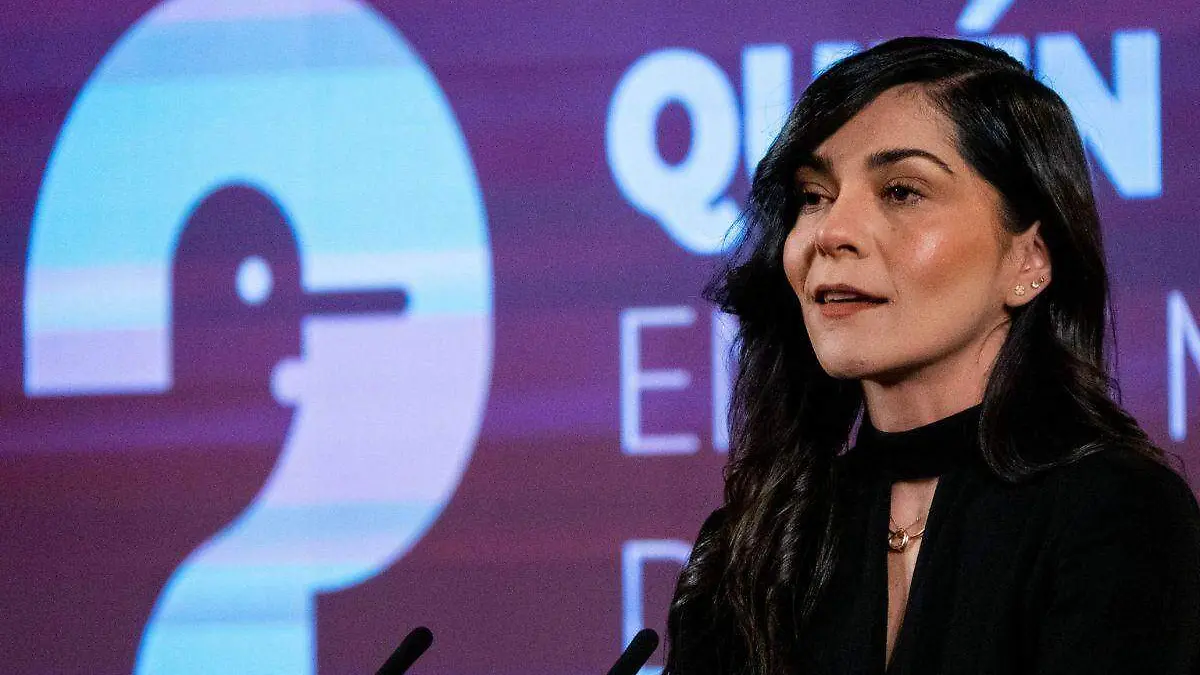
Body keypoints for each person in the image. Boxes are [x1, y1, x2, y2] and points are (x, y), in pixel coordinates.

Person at [664, 36, 1200, 674]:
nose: (832, 232)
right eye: (813, 196)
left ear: (1028, 259)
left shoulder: (1118, 514)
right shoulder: (749, 547)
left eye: (901, 191)